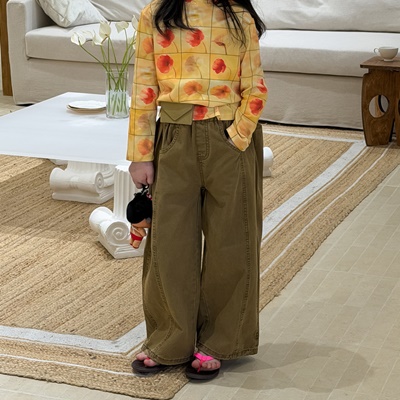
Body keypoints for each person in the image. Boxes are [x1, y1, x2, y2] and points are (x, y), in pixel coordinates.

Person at [127, 0, 267, 381]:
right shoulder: (155, 15)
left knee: (232, 242)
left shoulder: (239, 17)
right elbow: (143, 89)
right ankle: (169, 339)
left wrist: (237, 136)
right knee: (169, 242)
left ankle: (220, 341)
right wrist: (141, 154)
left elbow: (256, 87)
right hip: (173, 139)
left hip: (229, 139)